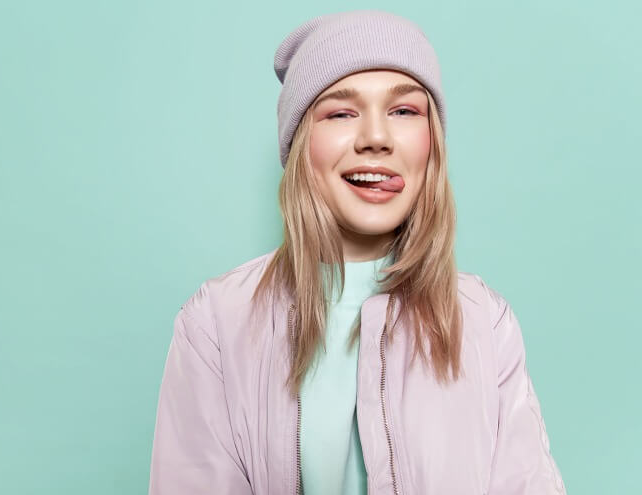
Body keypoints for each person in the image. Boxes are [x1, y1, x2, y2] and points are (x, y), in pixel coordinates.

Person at [148, 10, 566, 495]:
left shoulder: (484, 323)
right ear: (301, 144)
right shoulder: (217, 323)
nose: (375, 138)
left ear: (431, 143)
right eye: (341, 113)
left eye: (404, 111)